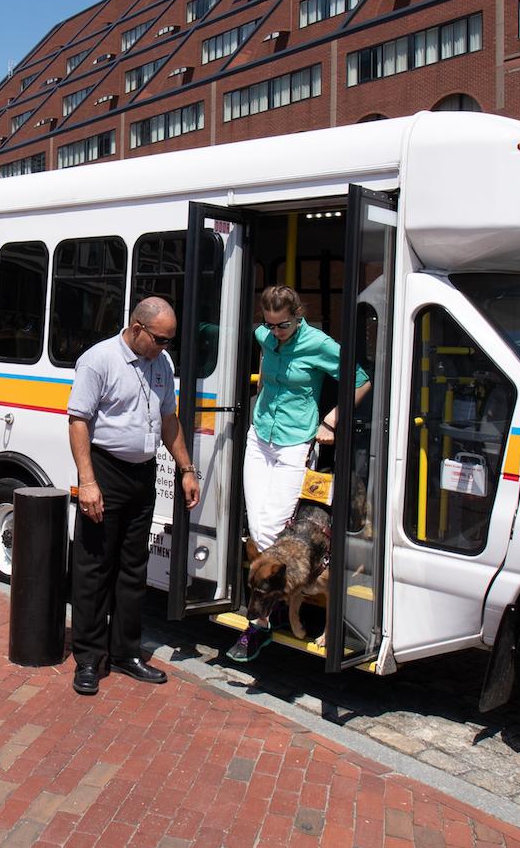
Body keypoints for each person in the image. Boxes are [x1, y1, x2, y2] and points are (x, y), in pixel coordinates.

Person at [67, 296, 200, 696]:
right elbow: (78, 421)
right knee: (94, 566)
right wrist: (87, 481)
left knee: (133, 568)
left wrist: (187, 469)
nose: (165, 347)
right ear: (138, 328)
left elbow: (169, 419)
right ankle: (89, 657)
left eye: (169, 341)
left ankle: (125, 652)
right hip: (105, 470)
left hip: (142, 474)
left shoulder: (162, 363)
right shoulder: (99, 360)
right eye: (160, 339)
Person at [227, 285, 369, 663]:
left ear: (297, 315)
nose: (276, 332)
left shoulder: (318, 343)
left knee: (274, 526)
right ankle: (269, 616)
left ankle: (260, 624)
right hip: (260, 438)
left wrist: (333, 421)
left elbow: (360, 378)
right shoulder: (263, 335)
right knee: (257, 526)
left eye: (283, 325)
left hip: (295, 442)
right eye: (270, 325)